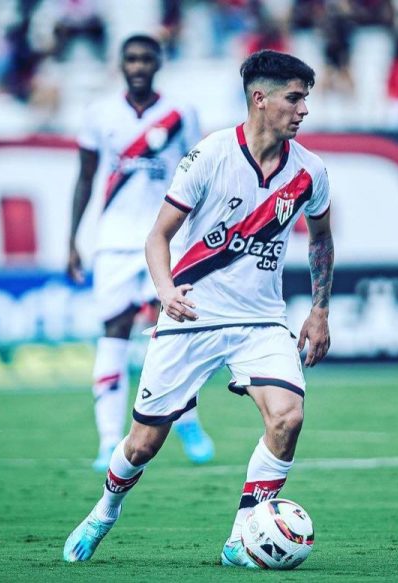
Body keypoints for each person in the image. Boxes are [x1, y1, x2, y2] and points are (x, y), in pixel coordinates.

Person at [63, 49, 334, 568]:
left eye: (306, 99)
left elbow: (321, 240)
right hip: (193, 315)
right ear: (261, 99)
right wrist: (166, 292)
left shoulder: (311, 172)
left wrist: (319, 310)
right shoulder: (210, 155)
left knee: (288, 417)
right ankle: (105, 510)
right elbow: (158, 236)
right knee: (142, 444)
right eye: (294, 98)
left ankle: (241, 536)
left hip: (261, 321)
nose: (304, 110)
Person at [67, 34, 215, 471]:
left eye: (145, 59)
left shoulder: (181, 114)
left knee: (172, 330)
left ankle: (187, 419)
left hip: (166, 239)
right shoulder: (99, 114)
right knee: (114, 329)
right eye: (130, 58)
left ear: (157, 63)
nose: (137, 65)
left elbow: (198, 176)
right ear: (121, 64)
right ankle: (109, 440)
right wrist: (72, 239)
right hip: (113, 240)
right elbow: (85, 177)